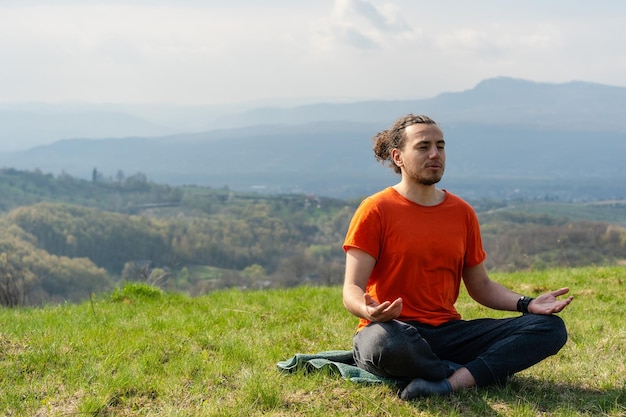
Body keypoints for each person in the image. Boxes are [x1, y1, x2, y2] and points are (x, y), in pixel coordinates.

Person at [342, 114, 574, 400]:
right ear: (397, 156)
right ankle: (473, 371)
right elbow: (351, 289)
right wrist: (369, 312)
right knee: (385, 344)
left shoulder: (462, 212)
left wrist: (527, 305)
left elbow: (481, 287)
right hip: (392, 330)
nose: (435, 154)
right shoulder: (375, 209)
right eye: (423, 146)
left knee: (550, 328)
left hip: (448, 333)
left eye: (440, 146)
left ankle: (450, 382)